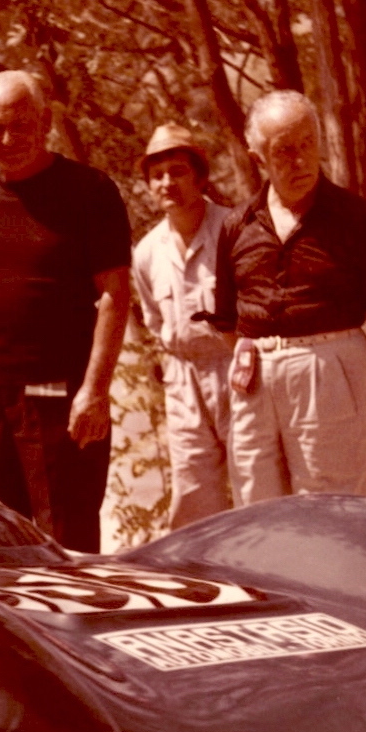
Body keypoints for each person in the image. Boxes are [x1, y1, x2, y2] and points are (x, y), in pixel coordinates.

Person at [0, 70, 132, 552]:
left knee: (64, 539)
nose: (8, 140)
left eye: (21, 126)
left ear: (45, 122)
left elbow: (115, 295)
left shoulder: (90, 191)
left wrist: (95, 390)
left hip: (58, 395)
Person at [206, 92, 366, 504]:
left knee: (335, 514)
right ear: (258, 158)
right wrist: (269, 364)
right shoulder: (237, 225)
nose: (300, 160)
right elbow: (226, 322)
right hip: (253, 382)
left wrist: (354, 385)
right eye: (284, 150)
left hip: (332, 375)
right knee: (257, 513)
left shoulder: (358, 221)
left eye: (308, 144)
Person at [131, 124, 234, 530]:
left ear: (201, 177)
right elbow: (153, 320)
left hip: (238, 371)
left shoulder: (234, 231)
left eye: (178, 171)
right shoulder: (146, 252)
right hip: (183, 379)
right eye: (157, 175)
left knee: (255, 482)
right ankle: (200, 568)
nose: (167, 183)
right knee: (193, 494)